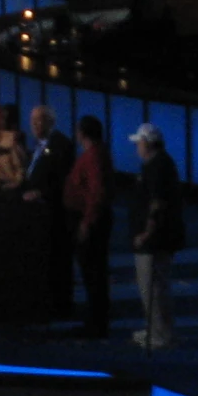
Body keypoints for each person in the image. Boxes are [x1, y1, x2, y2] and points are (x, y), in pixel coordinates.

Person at [129, 124, 184, 350]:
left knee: (153, 287)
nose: (137, 148)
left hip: (155, 240)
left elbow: (157, 203)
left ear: (147, 143)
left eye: (139, 143)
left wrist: (146, 233)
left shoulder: (158, 167)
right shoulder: (159, 164)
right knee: (155, 286)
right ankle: (158, 329)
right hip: (158, 238)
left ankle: (160, 335)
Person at [22, 105, 76, 318]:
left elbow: (63, 180)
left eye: (39, 121)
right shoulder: (37, 145)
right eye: (33, 120)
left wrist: (41, 192)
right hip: (38, 215)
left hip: (55, 214)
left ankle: (61, 306)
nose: (35, 125)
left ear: (50, 123)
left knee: (59, 260)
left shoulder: (61, 145)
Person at [65, 116, 115, 338]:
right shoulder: (98, 154)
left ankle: (97, 323)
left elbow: (96, 192)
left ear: (82, 133)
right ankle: (96, 320)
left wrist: (86, 222)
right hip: (91, 217)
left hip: (90, 220)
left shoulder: (93, 156)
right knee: (93, 272)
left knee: (92, 272)